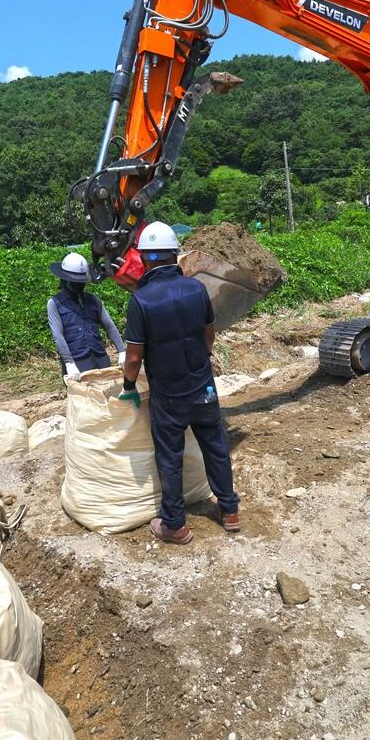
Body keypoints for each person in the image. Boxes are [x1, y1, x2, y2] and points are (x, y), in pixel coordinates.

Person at [117, 222, 241, 545]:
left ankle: (175, 524)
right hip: (203, 389)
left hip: (168, 397)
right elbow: (208, 336)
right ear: (175, 256)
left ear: (144, 259)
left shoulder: (141, 300)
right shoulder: (197, 289)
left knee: (169, 457)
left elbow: (133, 358)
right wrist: (198, 362)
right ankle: (229, 511)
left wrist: (128, 387)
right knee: (215, 446)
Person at [47, 251, 126, 380]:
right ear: (65, 280)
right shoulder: (55, 304)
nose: (79, 285)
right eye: (75, 282)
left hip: (100, 359)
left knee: (108, 396)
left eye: (81, 281)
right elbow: (58, 336)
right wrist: (69, 362)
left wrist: (122, 350)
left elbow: (109, 325)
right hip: (77, 363)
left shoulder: (93, 300)